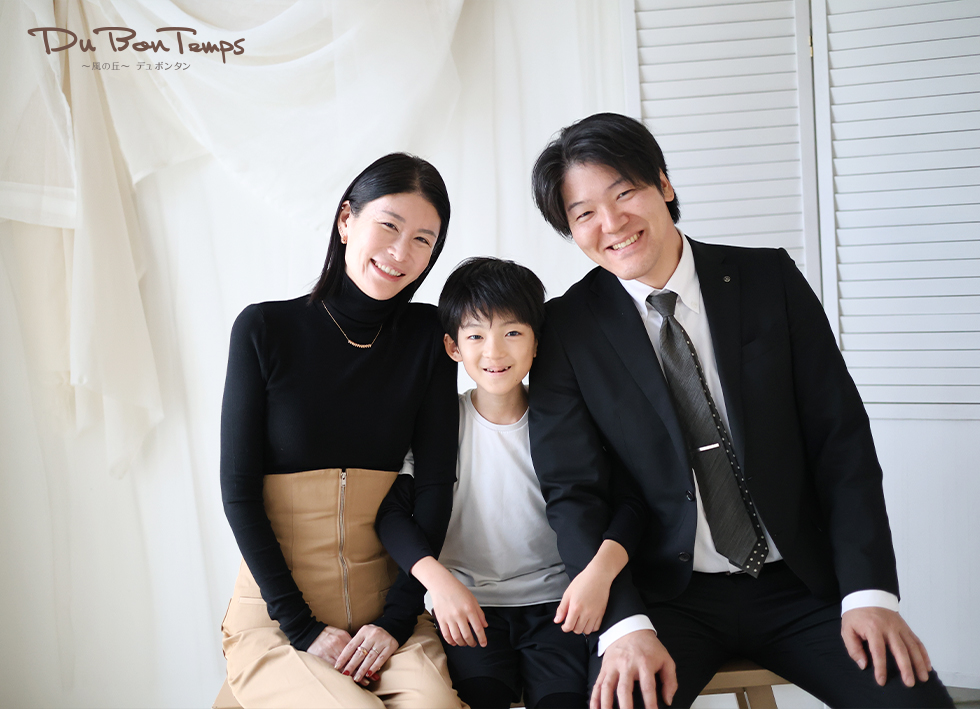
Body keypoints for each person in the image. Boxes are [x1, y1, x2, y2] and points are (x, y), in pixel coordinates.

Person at [527, 113, 954, 709]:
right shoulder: (566, 328)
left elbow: (841, 443)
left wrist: (868, 595)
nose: (612, 223)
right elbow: (573, 493)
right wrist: (623, 625)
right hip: (665, 599)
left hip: (801, 586)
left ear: (664, 184)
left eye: (624, 193)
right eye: (584, 214)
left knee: (915, 704)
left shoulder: (767, 278)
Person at [217, 153, 464, 708]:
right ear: (347, 219)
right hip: (280, 619)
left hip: (387, 620)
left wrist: (397, 621)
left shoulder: (428, 336)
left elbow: (433, 486)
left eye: (423, 240)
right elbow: (238, 492)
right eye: (389, 226)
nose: (401, 253)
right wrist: (303, 628)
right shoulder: (264, 328)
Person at [396, 256, 645, 709]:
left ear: (536, 342)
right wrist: (439, 585)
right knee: (481, 695)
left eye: (512, 333)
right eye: (476, 335)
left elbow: (631, 503)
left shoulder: (571, 420)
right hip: (468, 606)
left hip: (561, 604)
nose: (494, 352)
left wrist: (598, 574)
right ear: (453, 346)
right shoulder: (436, 424)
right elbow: (392, 515)